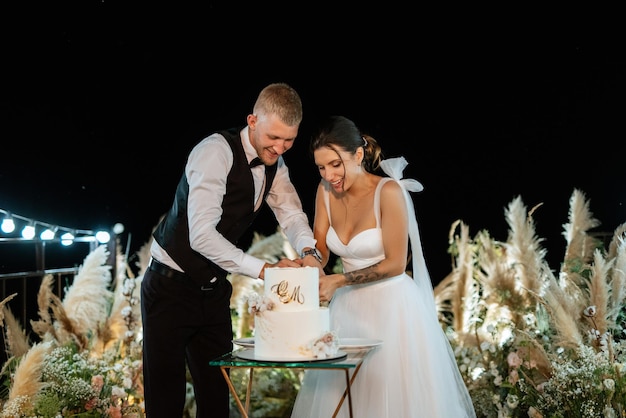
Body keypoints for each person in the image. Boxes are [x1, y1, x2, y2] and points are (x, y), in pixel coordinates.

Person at [140, 82, 324, 418]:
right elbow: (201, 237)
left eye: (289, 140)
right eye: (274, 138)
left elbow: (292, 214)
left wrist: (310, 253)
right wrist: (267, 270)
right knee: (165, 401)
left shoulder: (276, 165)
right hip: (169, 289)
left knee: (216, 399)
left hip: (212, 293)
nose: (280, 148)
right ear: (252, 121)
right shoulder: (215, 152)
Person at [290, 115, 476, 417]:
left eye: (335, 165)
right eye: (321, 167)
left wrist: (338, 280)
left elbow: (395, 263)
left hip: (393, 312)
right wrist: (310, 262)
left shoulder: (388, 192)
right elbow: (321, 249)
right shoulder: (324, 192)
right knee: (343, 399)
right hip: (347, 313)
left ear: (359, 154)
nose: (329, 175)